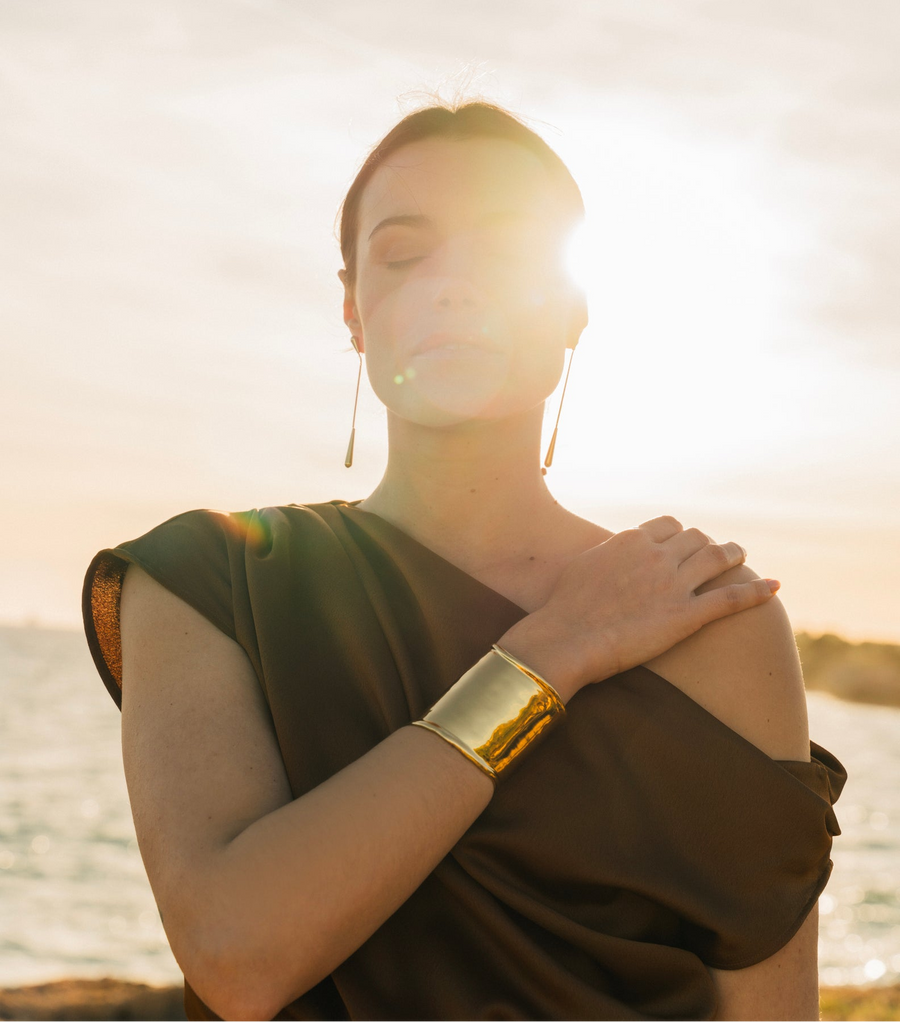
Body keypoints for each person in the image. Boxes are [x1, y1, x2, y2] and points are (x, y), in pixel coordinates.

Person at [82, 99, 846, 1022]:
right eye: (406, 254)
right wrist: (552, 653)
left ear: (572, 309)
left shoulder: (706, 617)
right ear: (354, 312)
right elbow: (238, 957)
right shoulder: (207, 581)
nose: (453, 285)